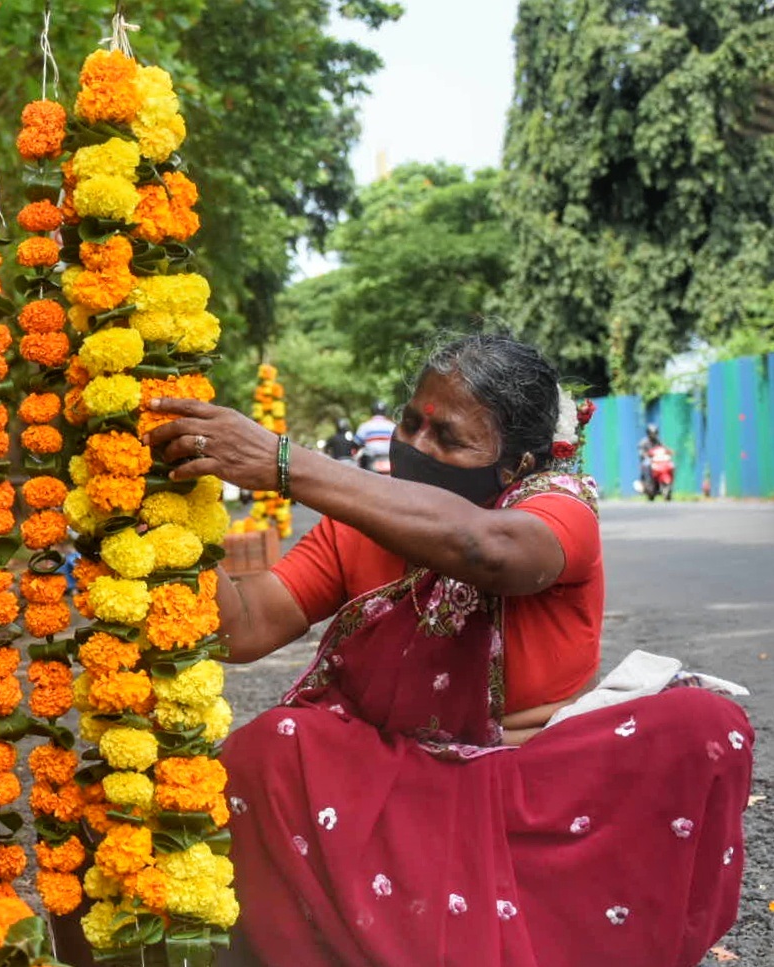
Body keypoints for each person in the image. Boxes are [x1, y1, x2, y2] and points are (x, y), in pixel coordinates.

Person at [143, 334, 751, 967]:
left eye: (450, 439)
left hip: (531, 796)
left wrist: (287, 464)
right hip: (391, 792)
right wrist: (163, 521)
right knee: (277, 744)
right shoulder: (357, 523)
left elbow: (487, 551)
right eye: (411, 424)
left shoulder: (554, 509)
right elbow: (242, 627)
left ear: (517, 465)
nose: (417, 446)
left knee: (702, 726)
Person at [355, 400, 396, 472]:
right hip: (388, 459)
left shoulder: (365, 426)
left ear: (372, 411)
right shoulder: (392, 426)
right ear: (385, 411)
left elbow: (357, 442)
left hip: (370, 460)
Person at [639, 423, 663, 492]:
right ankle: (647, 482)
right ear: (648, 433)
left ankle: (661, 483)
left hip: (657, 460)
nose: (654, 435)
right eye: (652, 433)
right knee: (647, 464)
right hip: (648, 460)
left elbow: (662, 448)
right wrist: (644, 455)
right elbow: (641, 451)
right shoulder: (644, 442)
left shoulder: (658, 441)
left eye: (655, 433)